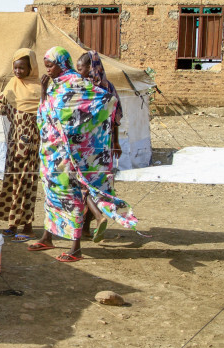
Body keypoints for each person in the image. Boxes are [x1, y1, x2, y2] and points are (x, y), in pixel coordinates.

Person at [30, 46, 137, 261]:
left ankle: (75, 247)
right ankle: (47, 237)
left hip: (71, 155)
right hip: (52, 155)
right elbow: (44, 116)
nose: (48, 70)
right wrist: (43, 92)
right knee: (52, 196)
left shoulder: (77, 84)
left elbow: (108, 102)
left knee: (73, 199)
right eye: (46, 66)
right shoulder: (54, 85)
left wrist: (83, 133)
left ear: (62, 63)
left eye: (51, 65)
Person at [0, 48, 41, 242]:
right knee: (14, 181)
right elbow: (0, 107)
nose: (18, 71)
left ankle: (27, 224)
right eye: (16, 67)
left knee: (28, 181)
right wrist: (4, 104)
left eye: (22, 68)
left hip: (33, 142)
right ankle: (12, 223)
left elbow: (47, 112)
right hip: (15, 142)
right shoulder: (12, 84)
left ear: (31, 67)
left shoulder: (41, 86)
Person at [76, 51, 123, 242]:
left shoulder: (86, 88)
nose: (79, 73)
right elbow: (116, 118)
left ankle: (96, 218)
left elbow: (113, 117)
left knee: (81, 183)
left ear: (91, 67)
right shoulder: (108, 87)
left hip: (86, 145)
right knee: (96, 184)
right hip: (104, 145)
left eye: (81, 68)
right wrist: (116, 142)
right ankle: (87, 228)